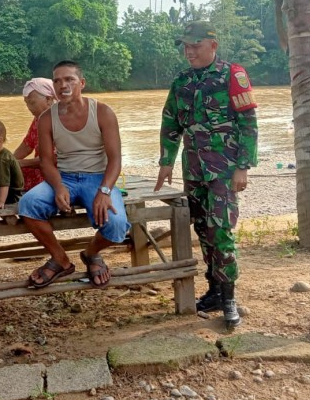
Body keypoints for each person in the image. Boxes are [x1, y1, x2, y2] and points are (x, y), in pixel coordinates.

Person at [154, 21, 258, 328]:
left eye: (195, 46)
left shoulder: (232, 75)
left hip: (224, 170)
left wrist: (243, 166)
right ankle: (213, 290)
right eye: (186, 47)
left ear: (213, 45)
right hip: (194, 169)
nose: (189, 52)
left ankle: (229, 298)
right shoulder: (181, 81)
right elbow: (170, 122)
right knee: (202, 228)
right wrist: (166, 161)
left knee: (221, 231)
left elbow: (248, 124)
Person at [18, 61, 129, 288]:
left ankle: (91, 253)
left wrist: (105, 191)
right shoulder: (46, 118)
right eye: (57, 81)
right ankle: (60, 259)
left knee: (117, 224)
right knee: (28, 204)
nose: (63, 85)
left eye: (69, 79)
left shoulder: (103, 112)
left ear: (82, 83)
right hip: (64, 176)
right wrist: (58, 186)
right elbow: (46, 161)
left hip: (97, 178)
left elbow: (115, 159)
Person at [13, 78, 57, 190]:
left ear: (48, 99)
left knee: (5, 173)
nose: (29, 107)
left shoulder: (62, 119)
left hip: (54, 176)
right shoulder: (39, 118)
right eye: (26, 103)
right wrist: (7, 160)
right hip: (38, 169)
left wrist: (18, 163)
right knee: (0, 170)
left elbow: (53, 158)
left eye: (32, 103)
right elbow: (27, 146)